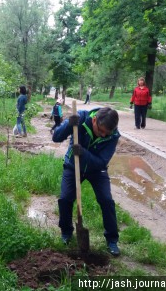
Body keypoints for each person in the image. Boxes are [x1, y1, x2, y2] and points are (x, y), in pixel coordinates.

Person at [52, 107, 121, 256]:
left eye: (106, 133)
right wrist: (69, 124)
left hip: (97, 170)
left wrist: (84, 153)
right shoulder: (80, 118)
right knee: (65, 198)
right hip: (73, 165)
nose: (103, 135)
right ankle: (66, 232)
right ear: (94, 119)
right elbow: (56, 137)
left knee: (106, 200)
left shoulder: (113, 135)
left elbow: (102, 162)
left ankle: (112, 240)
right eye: (100, 131)